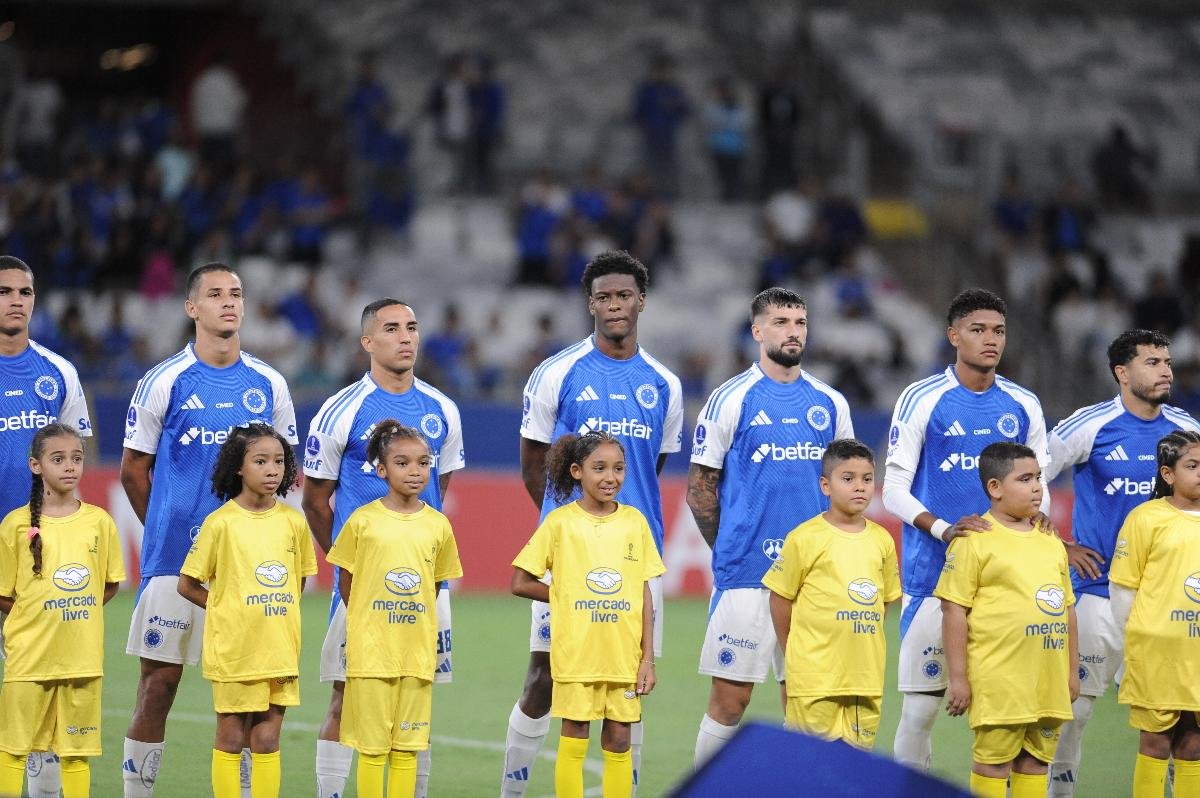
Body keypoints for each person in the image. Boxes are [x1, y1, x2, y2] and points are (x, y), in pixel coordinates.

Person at [502, 250, 682, 796]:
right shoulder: (557, 372)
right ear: (590, 304)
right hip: (571, 558)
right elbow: (534, 465)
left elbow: (651, 470)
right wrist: (570, 532)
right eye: (604, 296)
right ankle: (512, 789)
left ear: (641, 301)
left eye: (624, 295)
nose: (614, 305)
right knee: (542, 679)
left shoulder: (665, 384)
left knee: (631, 685)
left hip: (635, 558)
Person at [121, 262, 298, 798]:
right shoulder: (165, 380)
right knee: (159, 686)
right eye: (215, 294)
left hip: (248, 570)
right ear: (191, 308)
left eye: (237, 294)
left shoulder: (269, 383)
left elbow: (283, 470)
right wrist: (167, 531)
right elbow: (133, 469)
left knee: (252, 700)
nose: (229, 302)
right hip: (175, 561)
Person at [883, 288, 1051, 772]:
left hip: (1009, 587)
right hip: (933, 580)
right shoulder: (923, 398)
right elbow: (893, 488)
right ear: (953, 335)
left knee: (1024, 717)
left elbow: (1041, 479)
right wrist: (942, 529)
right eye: (977, 330)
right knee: (919, 711)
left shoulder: (1023, 404)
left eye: (998, 330)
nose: (990, 339)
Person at [304, 298, 464, 798]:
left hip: (423, 588)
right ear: (367, 342)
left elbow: (442, 490)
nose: (405, 337)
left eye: (412, 328)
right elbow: (314, 500)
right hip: (361, 587)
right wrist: (355, 561)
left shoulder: (442, 409)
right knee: (345, 695)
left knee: (418, 699)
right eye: (391, 328)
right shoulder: (342, 409)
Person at [687, 287, 854, 766]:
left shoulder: (830, 403)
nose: (793, 331)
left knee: (805, 703)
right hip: (748, 576)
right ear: (758, 331)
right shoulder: (730, 398)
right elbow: (701, 489)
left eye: (800, 322)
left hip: (815, 581)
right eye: (781, 322)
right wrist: (732, 550)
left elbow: (846, 486)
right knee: (729, 702)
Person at [1045, 330, 1200, 795]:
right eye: (1152, 362)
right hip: (1098, 591)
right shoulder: (1090, 424)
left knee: (1182, 718)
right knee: (1078, 708)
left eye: (1167, 361)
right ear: (1122, 372)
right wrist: (1061, 545)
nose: (1166, 370)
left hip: (1170, 603)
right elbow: (1025, 477)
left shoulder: (1184, 428)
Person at [511, 432, 664, 798]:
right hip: (577, 653)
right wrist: (565, 595)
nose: (610, 477)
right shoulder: (560, 522)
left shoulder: (635, 523)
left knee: (619, 737)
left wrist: (647, 659)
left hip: (622, 656)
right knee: (575, 732)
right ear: (577, 471)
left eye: (618, 468)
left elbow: (643, 592)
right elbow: (520, 582)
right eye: (600, 468)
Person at [177, 424, 316, 798]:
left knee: (268, 738)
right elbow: (188, 584)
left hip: (279, 649)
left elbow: (297, 581)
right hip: (235, 651)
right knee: (231, 734)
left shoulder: (292, 522)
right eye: (261, 461)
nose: (273, 470)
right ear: (239, 467)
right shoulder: (221, 522)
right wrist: (226, 609)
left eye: (279, 461)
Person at [326, 421, 463, 798]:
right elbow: (347, 580)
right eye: (402, 463)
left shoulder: (438, 525)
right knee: (372, 749)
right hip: (372, 654)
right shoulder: (363, 521)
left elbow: (435, 584)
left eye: (423, 463)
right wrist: (368, 623)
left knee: (406, 748)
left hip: (416, 653)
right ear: (381, 469)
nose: (415, 471)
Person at [936, 442, 1079, 798]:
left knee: (1035, 762)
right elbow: (954, 610)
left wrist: (1072, 671)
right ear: (995, 488)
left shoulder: (1050, 540)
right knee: (993, 764)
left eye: (1039, 478)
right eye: (1025, 479)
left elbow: (1067, 609)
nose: (1036, 487)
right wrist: (958, 679)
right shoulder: (974, 540)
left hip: (1047, 680)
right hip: (1000, 679)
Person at [0, 255, 92, 798]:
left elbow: (74, 455)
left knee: (45, 682)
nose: (16, 300)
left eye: (25, 291)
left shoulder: (57, 373)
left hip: (42, 550)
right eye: (5, 290)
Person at [0, 423, 125, 798]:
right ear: (36, 466)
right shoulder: (15, 525)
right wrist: (35, 617)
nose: (70, 466)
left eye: (76, 458)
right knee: (13, 747)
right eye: (58, 459)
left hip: (82, 658)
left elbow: (109, 583)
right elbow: (4, 593)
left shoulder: (99, 522)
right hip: (29, 658)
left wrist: (75, 612)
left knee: (76, 753)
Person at [763, 439, 899, 748]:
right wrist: (795, 653)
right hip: (814, 679)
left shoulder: (882, 540)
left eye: (867, 479)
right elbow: (780, 599)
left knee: (855, 769)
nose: (860, 487)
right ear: (826, 485)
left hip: (864, 679)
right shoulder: (804, 538)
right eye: (848, 479)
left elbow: (885, 602)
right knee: (810, 767)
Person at [1108, 430, 1200, 796]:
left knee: (1193, 744)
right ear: (1168, 474)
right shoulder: (1146, 518)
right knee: (1156, 742)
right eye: (1192, 465)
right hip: (1157, 652)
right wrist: (1133, 645)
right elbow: (1122, 589)